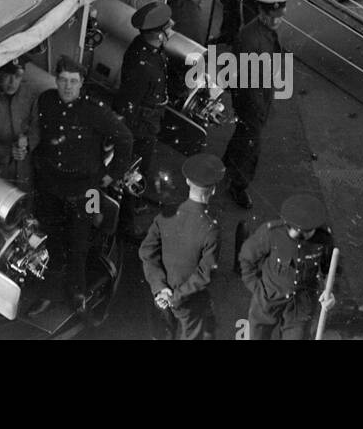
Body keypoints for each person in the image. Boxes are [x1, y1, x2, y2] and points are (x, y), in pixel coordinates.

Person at [30, 56, 133, 309]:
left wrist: (113, 174)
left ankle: (77, 294)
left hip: (89, 190)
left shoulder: (95, 111)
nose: (67, 86)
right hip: (52, 188)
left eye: (73, 81)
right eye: (63, 80)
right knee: (53, 242)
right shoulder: (46, 101)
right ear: (56, 80)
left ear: (82, 83)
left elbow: (125, 138)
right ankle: (49, 294)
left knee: (80, 243)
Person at [139, 154, 224, 340]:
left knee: (163, 334)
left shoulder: (166, 213)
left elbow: (146, 251)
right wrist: (176, 296)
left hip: (161, 296)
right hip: (189, 301)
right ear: (214, 189)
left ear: (187, 181)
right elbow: (205, 273)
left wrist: (159, 287)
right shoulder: (211, 228)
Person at [221, 0, 290, 208]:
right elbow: (242, 78)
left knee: (243, 134)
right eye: (273, 17)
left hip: (260, 94)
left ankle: (226, 164)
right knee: (252, 143)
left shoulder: (264, 30)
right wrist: (257, 108)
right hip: (251, 99)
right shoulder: (250, 38)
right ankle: (238, 185)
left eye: (280, 16)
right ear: (262, 13)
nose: (277, 21)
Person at [238, 193, 335, 340]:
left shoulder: (324, 240)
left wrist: (330, 291)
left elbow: (331, 270)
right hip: (269, 297)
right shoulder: (271, 233)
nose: (299, 237)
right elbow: (246, 258)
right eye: (294, 232)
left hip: (301, 303)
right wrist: (258, 289)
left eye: (307, 233)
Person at [114, 3, 174, 203]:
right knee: (137, 169)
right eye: (167, 26)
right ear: (158, 34)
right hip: (141, 127)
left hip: (149, 120)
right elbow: (129, 103)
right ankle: (130, 213)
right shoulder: (142, 64)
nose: (171, 26)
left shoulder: (148, 48)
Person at [0, 60, 39, 187]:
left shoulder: (30, 95)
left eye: (17, 76)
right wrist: (6, 151)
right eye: (8, 75)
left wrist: (28, 142)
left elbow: (37, 127)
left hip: (26, 169)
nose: (12, 82)